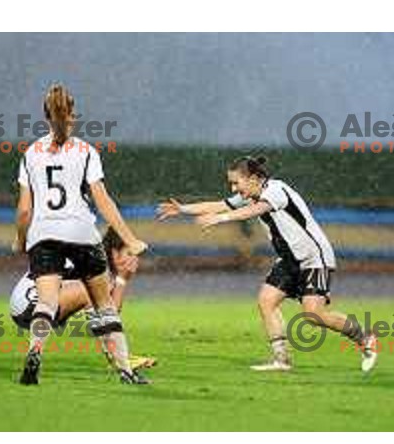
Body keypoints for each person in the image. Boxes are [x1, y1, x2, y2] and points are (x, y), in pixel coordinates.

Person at [157, 155, 378, 373]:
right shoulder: (250, 195)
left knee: (314, 315)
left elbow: (255, 210)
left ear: (253, 178)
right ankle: (282, 360)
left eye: (236, 182)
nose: (234, 189)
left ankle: (365, 338)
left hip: (313, 258)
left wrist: (220, 219)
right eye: (231, 184)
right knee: (266, 301)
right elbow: (221, 204)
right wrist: (183, 209)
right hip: (289, 260)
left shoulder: (276, 190)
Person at [14, 83, 148, 385]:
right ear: (71, 116)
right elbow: (102, 200)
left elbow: (24, 211)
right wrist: (129, 238)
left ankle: (35, 352)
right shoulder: (86, 151)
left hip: (43, 233)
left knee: (46, 303)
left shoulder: (30, 154)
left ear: (46, 117)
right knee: (103, 305)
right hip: (81, 232)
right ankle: (126, 370)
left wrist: (20, 240)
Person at [10, 226, 157, 371]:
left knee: (93, 297)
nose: (135, 261)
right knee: (88, 292)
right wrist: (122, 280)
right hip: (30, 304)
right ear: (115, 253)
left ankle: (119, 357)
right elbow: (110, 314)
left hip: (32, 304)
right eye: (130, 254)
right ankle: (119, 359)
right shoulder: (95, 262)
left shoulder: (94, 257)